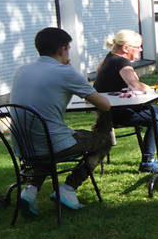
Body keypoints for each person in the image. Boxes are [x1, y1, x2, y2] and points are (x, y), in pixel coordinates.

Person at [10, 27, 113, 214]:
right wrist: (72, 72)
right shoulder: (65, 72)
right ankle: (68, 189)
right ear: (62, 49)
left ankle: (30, 191)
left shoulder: (21, 71)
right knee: (105, 140)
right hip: (51, 144)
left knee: (50, 140)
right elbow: (104, 105)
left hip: (23, 146)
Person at [94, 30, 158, 173]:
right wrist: (156, 93)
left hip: (110, 109)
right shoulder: (122, 62)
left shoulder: (110, 58)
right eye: (138, 46)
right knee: (157, 119)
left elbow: (105, 76)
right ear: (126, 48)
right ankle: (147, 161)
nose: (141, 49)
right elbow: (136, 85)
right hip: (115, 112)